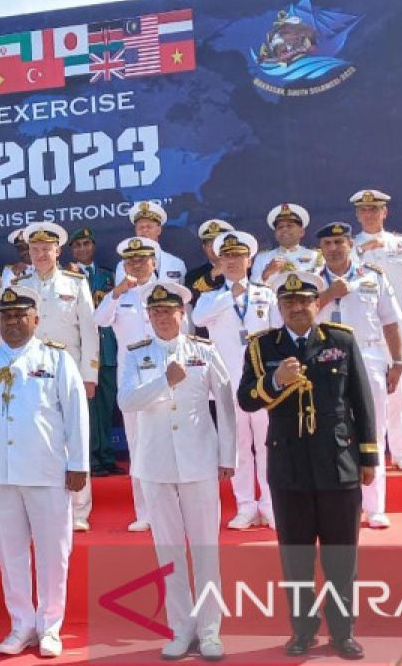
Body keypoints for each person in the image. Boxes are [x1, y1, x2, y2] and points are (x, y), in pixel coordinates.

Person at [238, 271, 376, 661]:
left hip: (338, 464)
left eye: (305, 301)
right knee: (296, 557)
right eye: (289, 303)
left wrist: (368, 456)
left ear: (317, 303)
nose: (298, 308)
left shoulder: (339, 340)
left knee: (341, 556)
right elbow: (246, 399)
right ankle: (302, 630)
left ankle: (343, 631)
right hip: (289, 467)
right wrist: (275, 380)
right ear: (279, 308)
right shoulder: (262, 346)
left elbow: (362, 402)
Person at [0, 285, 89, 659]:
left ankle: (50, 626)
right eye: (6, 316)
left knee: (53, 552)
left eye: (19, 315)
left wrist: (78, 464)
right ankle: (21, 623)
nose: (12, 322)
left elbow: (76, 413)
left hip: (46, 470)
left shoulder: (57, 359)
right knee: (10, 554)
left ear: (35, 319)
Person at [118, 282, 236, 661]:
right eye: (155, 312)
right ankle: (181, 629)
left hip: (199, 459)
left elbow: (227, 402)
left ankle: (210, 629)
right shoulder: (136, 354)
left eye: (169, 311)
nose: (162, 318)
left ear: (182, 315)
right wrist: (163, 380)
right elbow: (127, 401)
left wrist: (227, 454)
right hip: (156, 463)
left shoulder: (203, 350)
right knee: (168, 553)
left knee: (205, 551)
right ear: (148, 316)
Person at [315, 222, 402, 529]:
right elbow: (296, 318)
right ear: (320, 249)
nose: (333, 248)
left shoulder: (373, 277)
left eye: (339, 242)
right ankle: (340, 506)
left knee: (373, 429)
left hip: (368, 355)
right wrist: (327, 294)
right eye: (327, 243)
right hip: (324, 360)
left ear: (350, 244)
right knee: (330, 430)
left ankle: (375, 506)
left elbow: (391, 323)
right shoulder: (311, 281)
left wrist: (398, 362)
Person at [191, 231, 282, 530]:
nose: (232, 261)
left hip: (262, 384)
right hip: (228, 384)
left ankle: (270, 505)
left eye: (237, 256)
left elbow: (278, 334)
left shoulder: (265, 294)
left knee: (269, 444)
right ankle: (245, 506)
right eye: (226, 256)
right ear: (219, 260)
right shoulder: (210, 298)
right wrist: (232, 294)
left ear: (249, 259)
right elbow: (198, 320)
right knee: (238, 447)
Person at [14, 221, 99, 531]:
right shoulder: (21, 286)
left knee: (74, 438)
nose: (40, 255)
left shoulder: (75, 283)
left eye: (45, 250)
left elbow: (89, 331)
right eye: (34, 250)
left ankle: (78, 511)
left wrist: (90, 374)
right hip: (33, 373)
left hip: (70, 369)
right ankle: (45, 510)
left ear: (57, 251)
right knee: (37, 438)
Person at [350, 189, 402, 470]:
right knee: (365, 391)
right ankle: (369, 451)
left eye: (375, 209)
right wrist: (358, 252)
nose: (369, 215)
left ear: (385, 212)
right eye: (364, 210)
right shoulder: (350, 245)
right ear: (357, 215)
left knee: (397, 389)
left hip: (396, 326)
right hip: (363, 327)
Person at [93, 236, 159, 531]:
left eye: (142, 259)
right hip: (132, 379)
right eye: (131, 260)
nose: (137, 264)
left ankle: (170, 510)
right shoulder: (121, 295)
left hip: (163, 376)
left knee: (168, 444)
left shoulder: (166, 292)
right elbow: (100, 319)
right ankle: (145, 512)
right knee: (138, 446)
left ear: (153, 262)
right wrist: (116, 294)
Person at [68, 227, 120, 476]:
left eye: (86, 244)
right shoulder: (68, 277)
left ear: (94, 246)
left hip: (107, 348)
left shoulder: (108, 275)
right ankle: (90, 458)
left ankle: (107, 456)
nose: (82, 249)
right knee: (86, 409)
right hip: (82, 349)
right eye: (77, 246)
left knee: (107, 406)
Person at [114, 201, 187, 283]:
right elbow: (122, 294)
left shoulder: (177, 263)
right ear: (136, 231)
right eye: (141, 227)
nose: (145, 230)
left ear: (159, 230)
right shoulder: (125, 266)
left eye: (149, 226)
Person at [250, 203, 323, 282]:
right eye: (280, 227)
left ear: (301, 232)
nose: (284, 229)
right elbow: (252, 288)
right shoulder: (262, 258)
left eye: (290, 226)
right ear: (275, 234)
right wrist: (267, 273)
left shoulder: (316, 256)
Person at [185, 219, 234, 303]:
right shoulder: (193, 275)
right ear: (204, 248)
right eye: (211, 244)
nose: (215, 248)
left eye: (219, 244)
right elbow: (189, 297)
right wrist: (211, 275)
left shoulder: (244, 270)